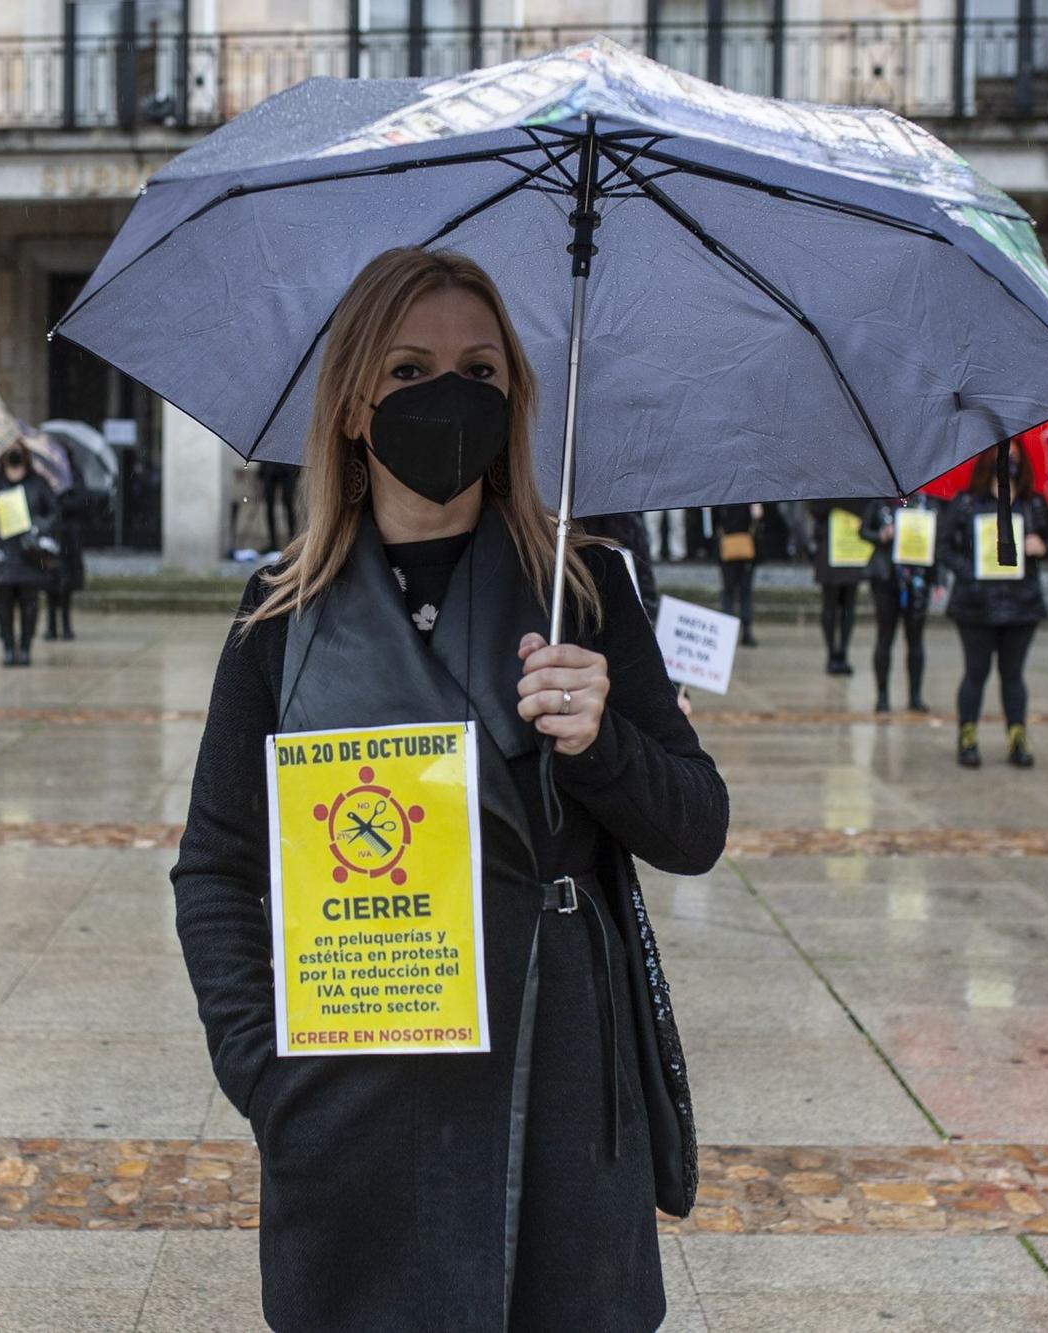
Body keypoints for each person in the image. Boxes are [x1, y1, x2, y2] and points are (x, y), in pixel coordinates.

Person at [172, 248, 728, 1332]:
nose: (448, 396)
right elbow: (216, 866)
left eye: (480, 372)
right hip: (358, 1090)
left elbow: (694, 828)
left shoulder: (582, 587)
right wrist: (265, 1074)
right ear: (349, 408)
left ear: (516, 400)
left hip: (558, 1082)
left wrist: (599, 738)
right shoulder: (279, 615)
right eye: (409, 369)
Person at [944, 440, 1048, 768]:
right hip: (975, 605)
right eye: (1000, 460)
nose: (1007, 466)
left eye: (1013, 460)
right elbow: (944, 547)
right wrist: (971, 572)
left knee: (1013, 675)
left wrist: (1042, 547)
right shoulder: (966, 503)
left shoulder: (1032, 505)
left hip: (1022, 604)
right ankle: (967, 736)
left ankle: (1017, 737)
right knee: (975, 673)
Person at [859, 493, 943, 714]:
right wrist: (881, 535)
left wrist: (939, 579)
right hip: (886, 578)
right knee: (885, 636)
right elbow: (863, 531)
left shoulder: (928, 505)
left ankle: (915, 696)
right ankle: (882, 696)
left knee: (915, 639)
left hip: (917, 578)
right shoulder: (879, 503)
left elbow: (938, 544)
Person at [0, 443, 58, 667]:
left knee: (29, 604)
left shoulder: (37, 483)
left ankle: (25, 646)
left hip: (29, 553)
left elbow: (53, 512)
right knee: (3, 606)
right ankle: (7, 645)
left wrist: (37, 527)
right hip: (2, 553)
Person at [808, 498, 868, 675]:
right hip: (831, 548)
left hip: (850, 546)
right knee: (831, 605)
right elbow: (815, 509)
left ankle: (842, 652)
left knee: (847, 606)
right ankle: (833, 653)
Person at [43, 453, 87, 642]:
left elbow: (81, 501)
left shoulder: (73, 476)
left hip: (69, 537)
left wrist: (61, 498)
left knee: (66, 582)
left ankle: (66, 625)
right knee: (50, 582)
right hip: (50, 537)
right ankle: (51, 625)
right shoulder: (43, 477)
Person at [712, 502, 760, 647]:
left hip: (736, 547)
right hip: (738, 546)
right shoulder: (749, 493)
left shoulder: (721, 495)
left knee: (733, 591)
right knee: (739, 591)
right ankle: (740, 631)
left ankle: (737, 631)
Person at [258, 458, 298, 554]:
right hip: (269, 467)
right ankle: (272, 542)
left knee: (289, 505)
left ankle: (292, 540)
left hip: (288, 467)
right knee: (269, 506)